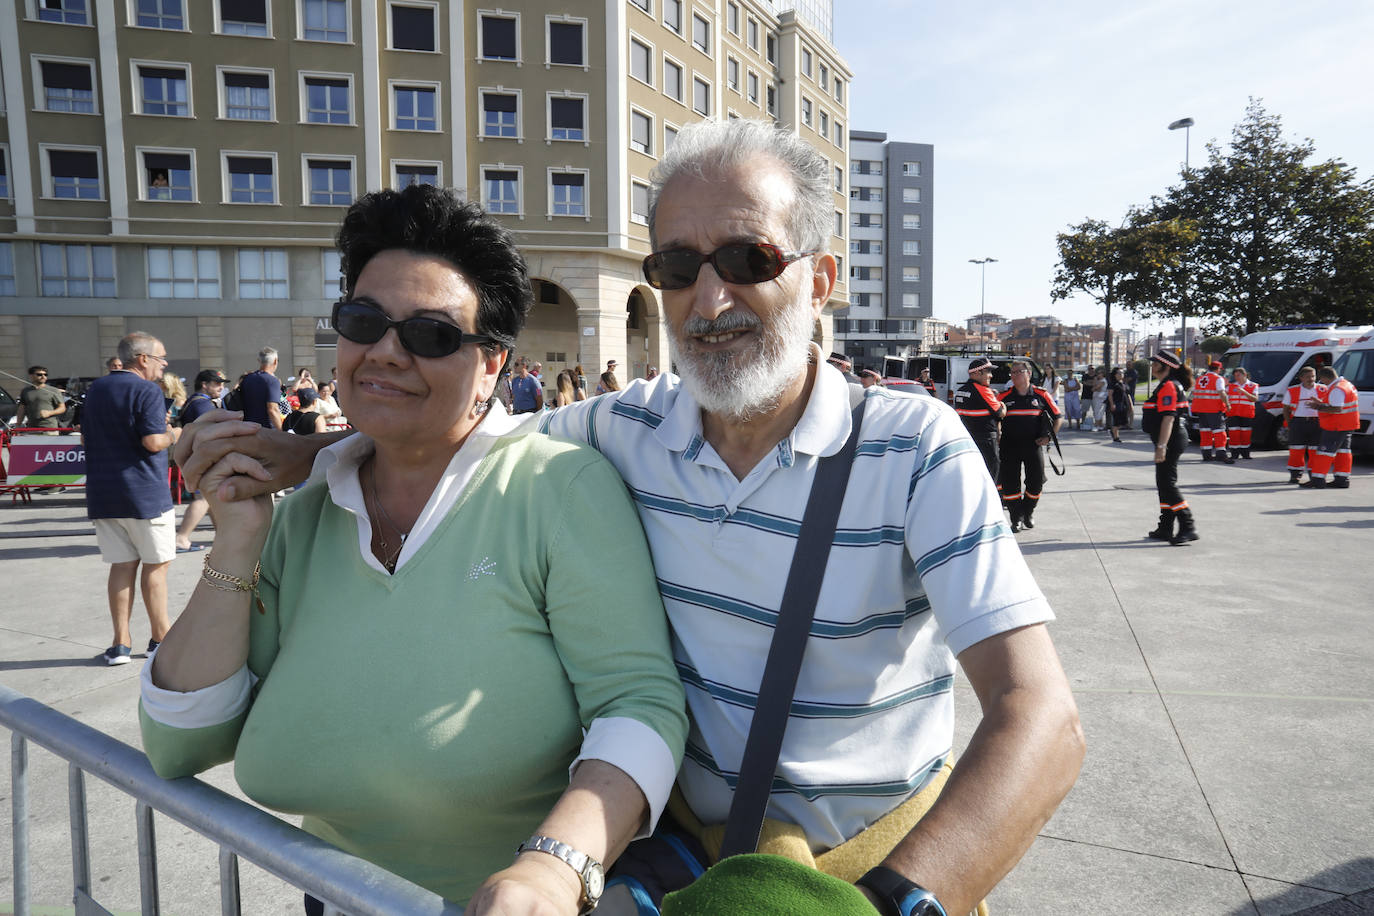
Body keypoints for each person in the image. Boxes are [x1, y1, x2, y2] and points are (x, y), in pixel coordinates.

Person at [175, 120, 1083, 916]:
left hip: (871, 862)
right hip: (684, 857)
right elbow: (456, 428)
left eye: (748, 259)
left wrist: (900, 902)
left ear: (823, 278)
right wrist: (312, 453)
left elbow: (1039, 713)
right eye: (678, 267)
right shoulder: (624, 427)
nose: (710, 297)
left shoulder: (910, 445)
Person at [143, 184, 688, 913]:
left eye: (430, 335)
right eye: (364, 321)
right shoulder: (306, 512)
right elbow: (180, 744)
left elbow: (638, 702)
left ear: (492, 365)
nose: (385, 354)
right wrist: (237, 540)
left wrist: (555, 868)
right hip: (336, 894)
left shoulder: (557, 490)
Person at [81, 332, 182, 664]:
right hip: (144, 494)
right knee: (156, 566)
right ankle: (161, 638)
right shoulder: (146, 390)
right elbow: (153, 442)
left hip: (103, 494)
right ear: (143, 359)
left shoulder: (96, 390)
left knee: (121, 567)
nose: (164, 364)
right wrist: (174, 433)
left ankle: (120, 643)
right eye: (161, 357)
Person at [997, 360, 1062, 532]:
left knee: (1036, 482)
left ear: (1029, 374)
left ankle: (1027, 512)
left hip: (1033, 446)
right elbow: (994, 419)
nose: (1015, 375)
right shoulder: (1003, 397)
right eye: (1012, 372)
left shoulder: (1041, 395)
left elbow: (1058, 417)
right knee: (1010, 485)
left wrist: (1048, 437)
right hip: (1009, 447)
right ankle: (1015, 518)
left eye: (1019, 371)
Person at [1141, 350, 1197, 545]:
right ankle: (1165, 526)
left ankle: (1188, 526)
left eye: (1155, 363)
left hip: (1171, 439)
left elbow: (1168, 418)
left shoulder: (1169, 386)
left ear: (1165, 366)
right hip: (1168, 439)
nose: (1152, 366)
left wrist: (1162, 446)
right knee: (1163, 484)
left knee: (1167, 484)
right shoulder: (1166, 385)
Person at [175, 370, 229, 552]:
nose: (221, 387)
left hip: (195, 456)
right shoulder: (203, 405)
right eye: (216, 383)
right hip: (204, 456)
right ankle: (181, 537)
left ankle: (223, 535)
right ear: (204, 385)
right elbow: (210, 434)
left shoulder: (193, 402)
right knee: (204, 497)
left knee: (209, 497)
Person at [1300, 366, 1360, 489]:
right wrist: (1321, 403)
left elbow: (1337, 408)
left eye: (1321, 379)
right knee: (1343, 452)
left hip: (1336, 425)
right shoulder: (1346, 384)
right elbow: (1338, 404)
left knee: (1324, 452)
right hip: (1346, 424)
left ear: (1324, 377)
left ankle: (1318, 479)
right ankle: (1342, 479)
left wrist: (1318, 407)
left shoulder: (1337, 389)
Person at [953, 356, 1006, 486]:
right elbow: (1000, 413)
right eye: (988, 372)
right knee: (990, 476)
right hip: (986, 441)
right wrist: (1003, 405)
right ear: (977, 373)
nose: (991, 376)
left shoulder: (960, 391)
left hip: (967, 440)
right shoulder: (983, 390)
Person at [1284, 366, 1324, 484]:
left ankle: (1314, 474)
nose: (1311, 379)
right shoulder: (1292, 390)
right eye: (1308, 377)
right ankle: (1295, 474)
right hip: (1298, 422)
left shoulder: (1323, 389)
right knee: (1296, 450)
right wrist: (1290, 423)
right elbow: (1285, 408)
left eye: (1313, 376)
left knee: (1314, 450)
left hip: (1317, 423)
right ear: (1301, 378)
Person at [1191, 360, 1231, 462]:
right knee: (1219, 432)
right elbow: (1222, 392)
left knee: (1205, 432)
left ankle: (1206, 455)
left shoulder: (1200, 378)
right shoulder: (1218, 379)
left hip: (1200, 409)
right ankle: (1221, 455)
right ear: (1218, 369)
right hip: (1213, 409)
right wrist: (1227, 404)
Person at [240, 347, 284, 430]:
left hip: (246, 428)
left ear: (259, 361)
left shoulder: (247, 378)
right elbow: (272, 409)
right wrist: (282, 432)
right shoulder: (273, 381)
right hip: (265, 430)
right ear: (275, 361)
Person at [16, 365, 68, 434]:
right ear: (31, 376)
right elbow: (22, 408)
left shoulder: (54, 390)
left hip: (50, 428)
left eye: (45, 375)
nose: (43, 377)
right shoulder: (25, 391)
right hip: (31, 428)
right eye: (39, 374)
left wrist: (49, 413)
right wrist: (18, 424)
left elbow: (62, 408)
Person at [1224, 367, 1260, 460]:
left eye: (1238, 375)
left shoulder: (1253, 385)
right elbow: (1224, 397)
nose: (1236, 377)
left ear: (1244, 375)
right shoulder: (1231, 386)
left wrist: (1244, 392)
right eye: (1235, 376)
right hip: (1233, 414)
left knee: (1246, 434)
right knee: (1234, 434)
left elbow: (1255, 399)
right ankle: (1234, 454)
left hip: (1246, 414)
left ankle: (1245, 454)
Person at [1106, 367, 1129, 443]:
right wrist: (1112, 404)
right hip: (1116, 404)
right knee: (1117, 421)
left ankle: (1113, 431)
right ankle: (1116, 437)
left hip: (1123, 404)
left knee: (1123, 422)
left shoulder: (1123, 383)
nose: (1121, 374)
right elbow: (1110, 395)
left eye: (1122, 373)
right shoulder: (1112, 383)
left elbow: (1126, 394)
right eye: (1119, 373)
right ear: (1115, 375)